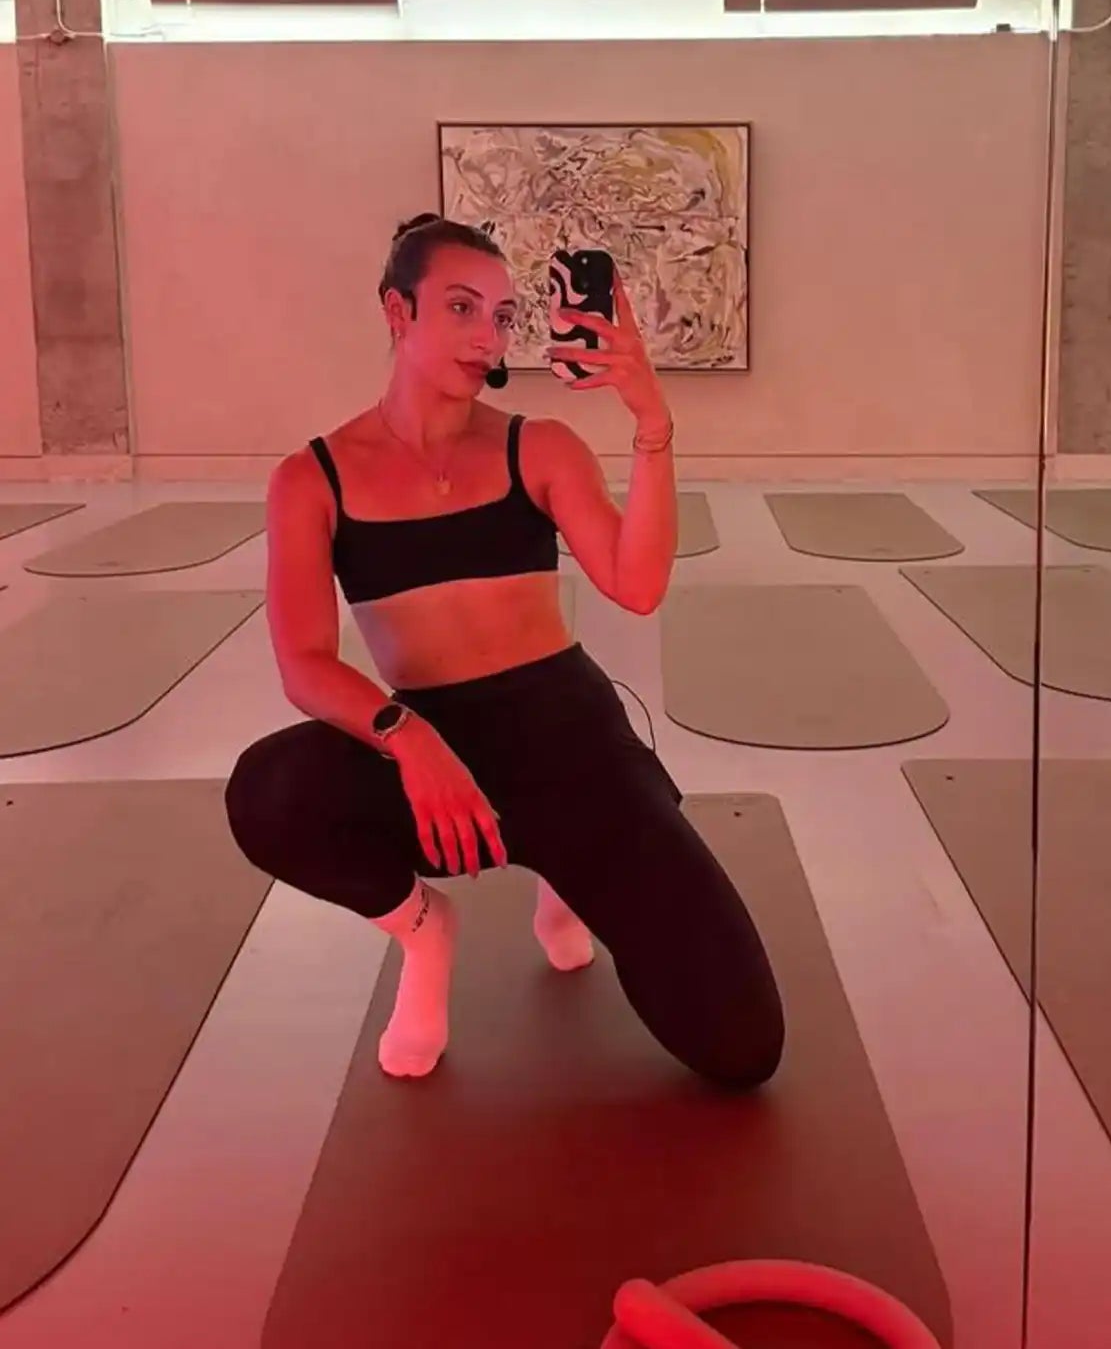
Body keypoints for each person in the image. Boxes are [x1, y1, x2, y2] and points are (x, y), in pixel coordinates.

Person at [225, 214, 784, 1087]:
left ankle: (564, 877)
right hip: (432, 744)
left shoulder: (538, 448)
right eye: (461, 306)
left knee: (743, 1049)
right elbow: (303, 661)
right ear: (397, 311)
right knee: (267, 793)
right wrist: (407, 738)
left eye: (503, 314)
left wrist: (652, 421)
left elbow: (636, 585)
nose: (489, 334)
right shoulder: (312, 479)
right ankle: (424, 932)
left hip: (568, 739)